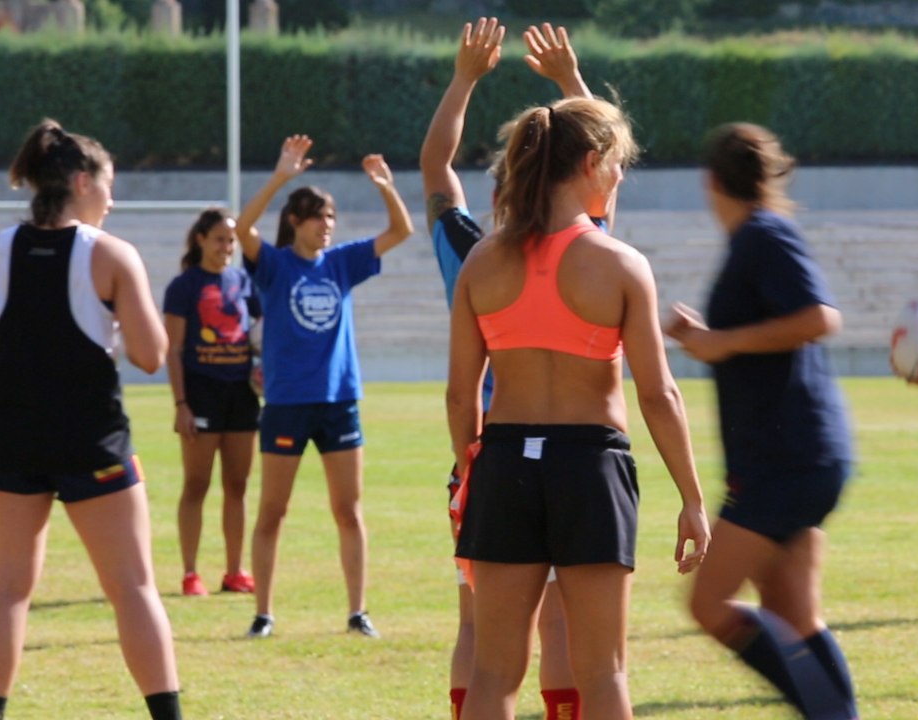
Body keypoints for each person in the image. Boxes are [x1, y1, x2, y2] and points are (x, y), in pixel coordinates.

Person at [446, 96, 710, 720]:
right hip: (589, 468)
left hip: (505, 461)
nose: (619, 178)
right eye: (617, 165)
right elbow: (658, 393)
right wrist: (693, 499)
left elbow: (461, 394)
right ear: (592, 163)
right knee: (604, 674)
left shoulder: (482, 260)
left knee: (492, 673)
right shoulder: (619, 264)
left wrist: (469, 467)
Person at [421, 18, 595, 720]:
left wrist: (464, 77)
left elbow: (436, 169)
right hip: (578, 450)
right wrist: (568, 85)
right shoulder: (590, 245)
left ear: (498, 194)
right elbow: (599, 160)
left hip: (491, 454)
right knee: (560, 624)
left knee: (479, 628)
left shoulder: (474, 254)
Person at [0, 119, 182, 719]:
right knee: (133, 589)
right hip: (92, 443)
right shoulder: (111, 254)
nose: (112, 199)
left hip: (11, 442)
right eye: (108, 185)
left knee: (6, 590)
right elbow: (151, 356)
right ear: (80, 181)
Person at [664, 123, 860, 720]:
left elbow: (820, 317)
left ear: (712, 182)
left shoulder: (763, 235)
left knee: (708, 604)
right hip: (801, 456)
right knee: (794, 615)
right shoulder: (756, 238)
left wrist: (720, 342)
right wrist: (709, 338)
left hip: (785, 462)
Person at [236, 135, 412, 639]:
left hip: (338, 403)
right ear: (296, 221)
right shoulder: (274, 266)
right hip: (287, 404)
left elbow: (401, 230)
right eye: (318, 217)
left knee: (348, 511)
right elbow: (242, 228)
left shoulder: (342, 263)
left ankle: (358, 612)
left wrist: (385, 187)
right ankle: (263, 613)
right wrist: (279, 178)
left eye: (331, 218)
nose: (327, 225)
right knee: (273, 511)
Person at [164, 208, 260, 597]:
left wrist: (261, 368)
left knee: (237, 485)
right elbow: (173, 349)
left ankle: (235, 571)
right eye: (220, 238)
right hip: (201, 393)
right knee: (197, 484)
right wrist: (181, 403)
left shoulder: (243, 281)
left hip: (240, 395)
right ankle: (190, 574)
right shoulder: (184, 286)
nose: (227, 247)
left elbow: (258, 335)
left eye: (232, 240)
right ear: (201, 240)